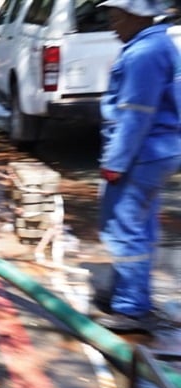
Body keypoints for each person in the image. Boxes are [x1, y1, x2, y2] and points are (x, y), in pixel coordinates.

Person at [93, 0, 181, 332]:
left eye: (116, 17)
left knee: (123, 228)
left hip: (141, 154)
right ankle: (125, 294)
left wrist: (115, 163)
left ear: (135, 15)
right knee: (139, 227)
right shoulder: (158, 43)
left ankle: (130, 309)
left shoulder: (143, 53)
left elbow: (134, 117)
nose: (111, 24)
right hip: (160, 150)